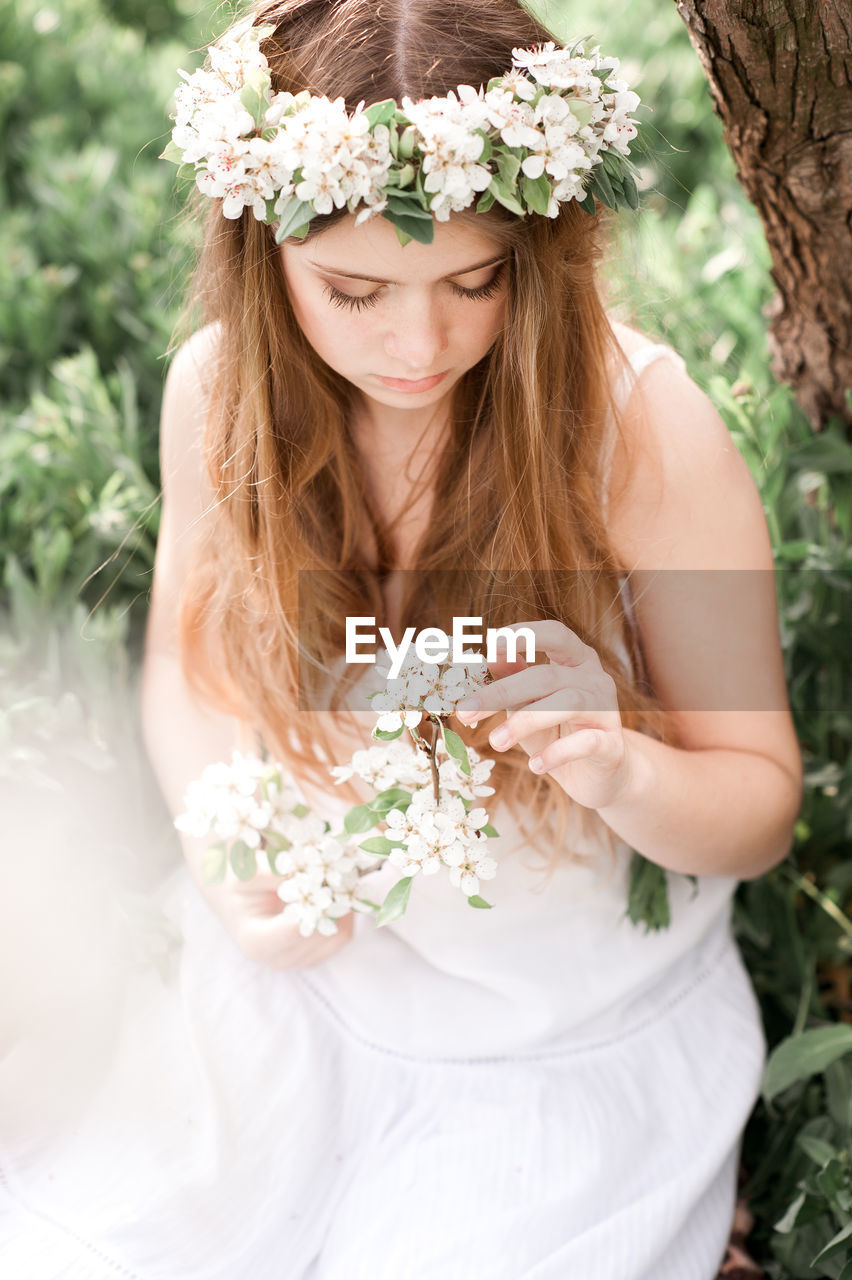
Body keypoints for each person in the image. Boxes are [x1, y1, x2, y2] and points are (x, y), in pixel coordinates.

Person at [0, 1, 802, 1277]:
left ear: (535, 257)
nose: (417, 344)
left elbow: (762, 804)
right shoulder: (218, 393)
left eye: (473, 281)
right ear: (263, 251)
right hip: (299, 977)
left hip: (555, 1013)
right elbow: (183, 672)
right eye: (354, 290)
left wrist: (618, 759)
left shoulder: (644, 431)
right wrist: (227, 861)